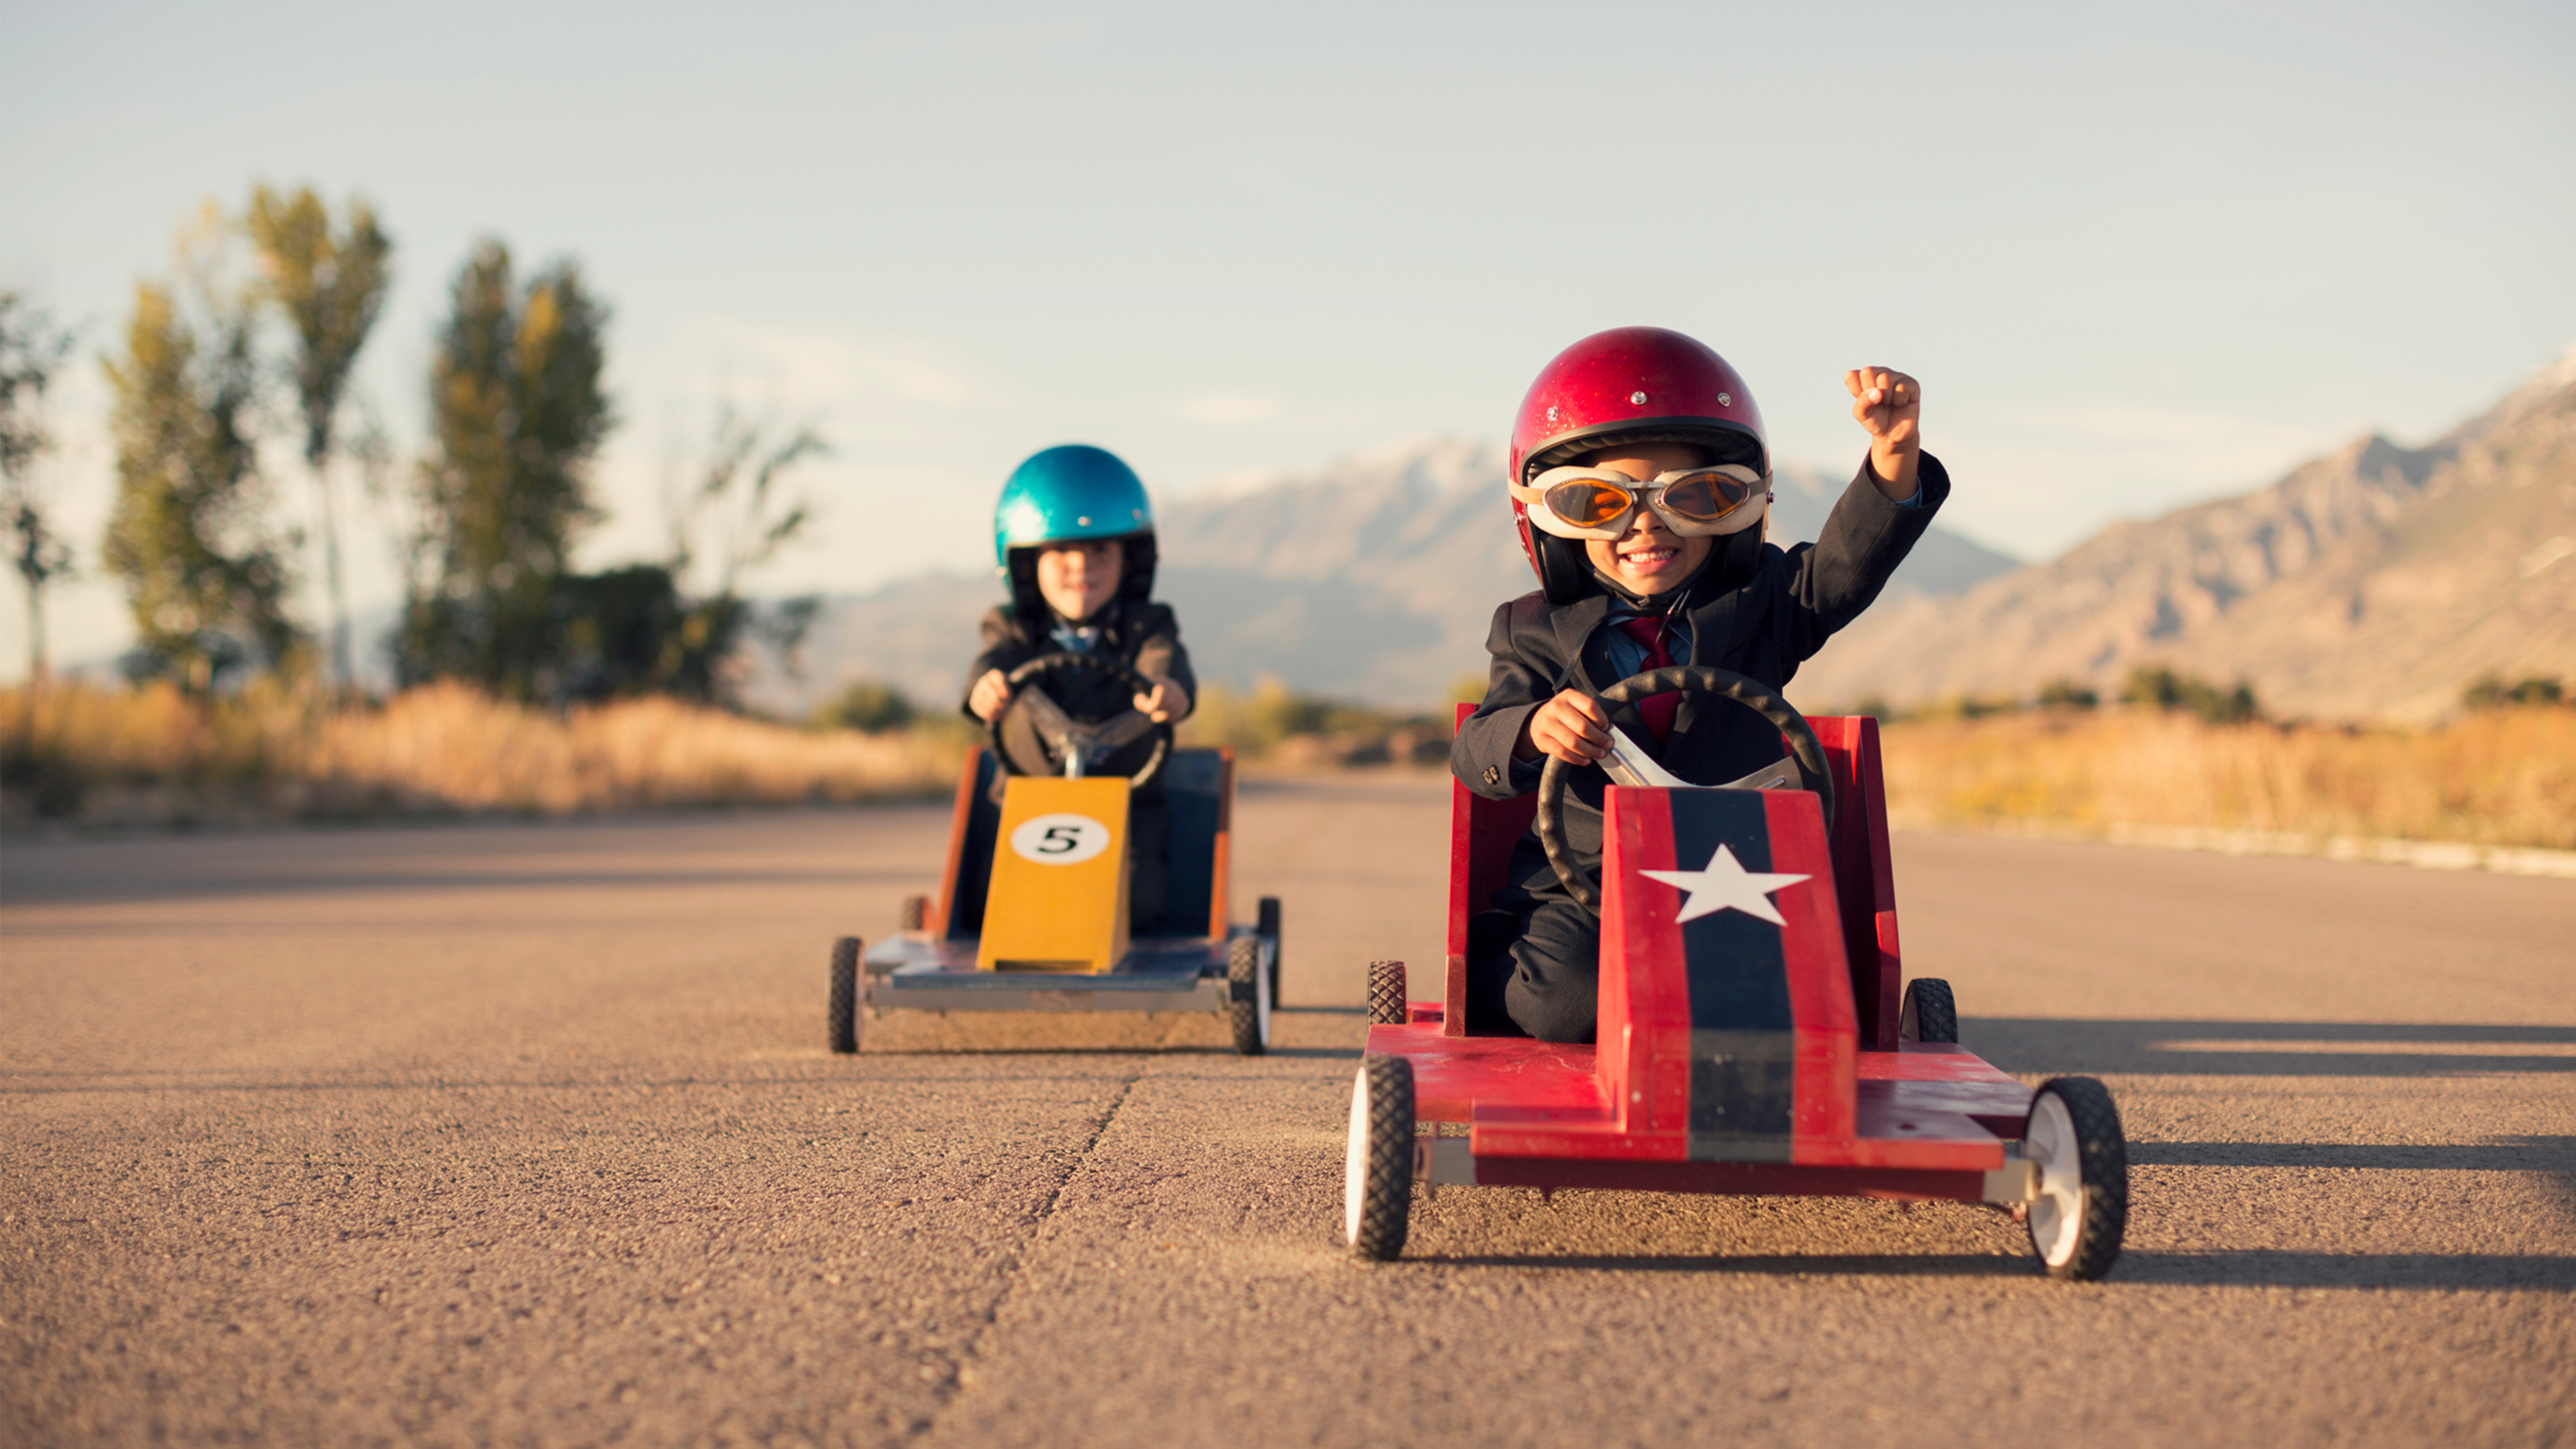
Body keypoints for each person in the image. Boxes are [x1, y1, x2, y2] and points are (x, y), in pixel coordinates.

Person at [1451, 326, 1945, 1042]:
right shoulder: (1531, 629)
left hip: (1742, 873)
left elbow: (1845, 567)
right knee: (1564, 1004)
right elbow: (1476, 750)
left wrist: (1893, 458)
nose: (1645, 527)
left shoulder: (1766, 602)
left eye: (1694, 498)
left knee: (1799, 1004)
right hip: (1585, 890)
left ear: (1740, 507)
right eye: (1600, 504)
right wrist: (1533, 730)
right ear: (1552, 520)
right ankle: (1501, 967)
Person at [963, 444, 1196, 934]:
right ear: (1026, 563)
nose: (1081, 566)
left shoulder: (1148, 624)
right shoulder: (1012, 628)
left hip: (1126, 804)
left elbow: (1164, 660)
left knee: (1141, 905)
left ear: (1131, 559)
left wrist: (1166, 689)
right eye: (1062, 551)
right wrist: (985, 689)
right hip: (1025, 803)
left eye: (1099, 551)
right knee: (990, 904)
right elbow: (992, 663)